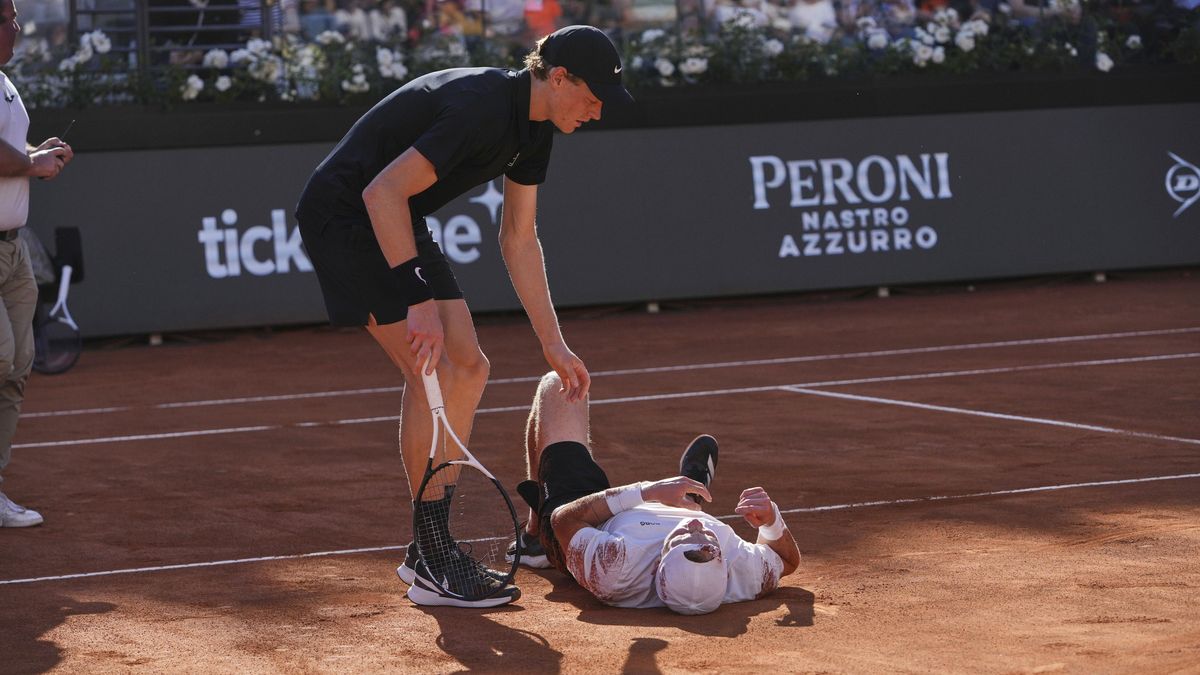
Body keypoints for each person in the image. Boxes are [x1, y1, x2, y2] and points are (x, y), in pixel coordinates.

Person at [295, 25, 633, 608]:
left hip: (400, 216)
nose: (597, 111)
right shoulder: (480, 108)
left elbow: (519, 238)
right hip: (349, 219)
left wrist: (553, 344)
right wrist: (416, 297)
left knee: (469, 368)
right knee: (437, 369)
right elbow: (379, 193)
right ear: (557, 79)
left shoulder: (535, 131)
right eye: (592, 97)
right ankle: (429, 555)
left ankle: (425, 550)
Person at [510, 371, 801, 614]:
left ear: (659, 562)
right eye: (707, 542)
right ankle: (690, 492)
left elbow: (564, 520)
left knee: (562, 385)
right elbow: (786, 561)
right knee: (690, 515)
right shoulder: (742, 572)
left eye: (684, 539)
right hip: (646, 516)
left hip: (588, 521)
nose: (697, 528)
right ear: (724, 569)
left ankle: (534, 538)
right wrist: (771, 522)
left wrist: (647, 492)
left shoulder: (615, 567)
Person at [0, 0, 73, 528]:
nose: (18, 30)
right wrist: (32, 163)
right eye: (9, 20)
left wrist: (35, 151)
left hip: (13, 247)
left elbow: (9, 150)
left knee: (18, 369)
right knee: (0, 360)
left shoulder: (5, 84)